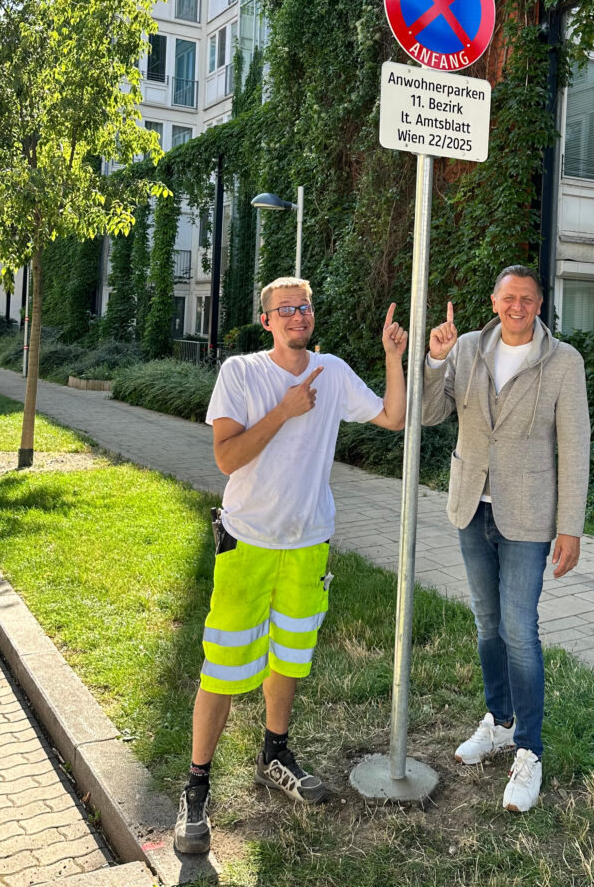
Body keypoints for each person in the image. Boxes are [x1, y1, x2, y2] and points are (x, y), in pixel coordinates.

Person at [174, 276, 407, 854]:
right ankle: (196, 786)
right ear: (267, 322)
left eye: (304, 307)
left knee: (290, 656)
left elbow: (395, 419)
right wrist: (283, 410)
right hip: (248, 541)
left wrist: (393, 357)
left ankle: (274, 753)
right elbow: (227, 457)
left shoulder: (331, 371)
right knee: (223, 667)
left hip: (308, 543)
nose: (298, 316)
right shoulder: (242, 373)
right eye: (286, 309)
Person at [422, 264, 589, 814]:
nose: (517, 305)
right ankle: (499, 720)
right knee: (486, 623)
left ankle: (529, 751)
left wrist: (571, 526)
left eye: (528, 298)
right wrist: (435, 360)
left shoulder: (563, 363)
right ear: (493, 301)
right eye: (508, 297)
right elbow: (427, 413)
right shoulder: (467, 348)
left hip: (529, 516)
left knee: (520, 630)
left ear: (540, 305)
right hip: (473, 505)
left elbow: (575, 449)